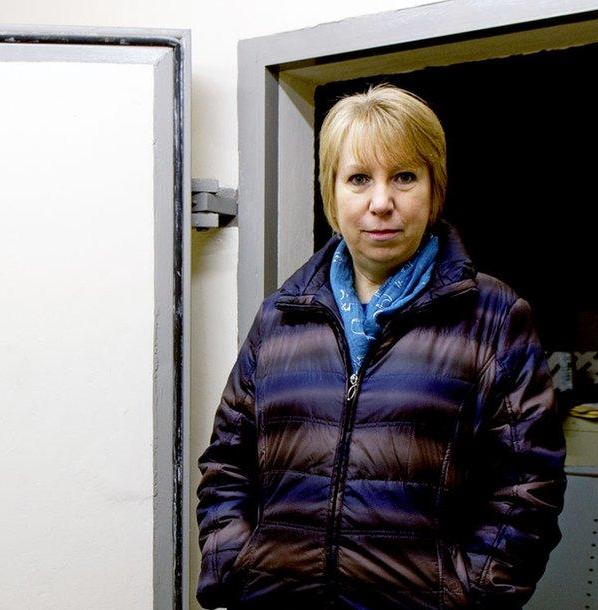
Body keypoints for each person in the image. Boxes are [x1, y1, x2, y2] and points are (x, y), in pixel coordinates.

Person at [195, 84, 566, 609]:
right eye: (359, 179)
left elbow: (528, 485)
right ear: (332, 192)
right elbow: (227, 464)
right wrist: (231, 564)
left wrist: (475, 596)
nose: (381, 203)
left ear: (434, 188)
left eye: (405, 177)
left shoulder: (494, 317)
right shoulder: (280, 317)